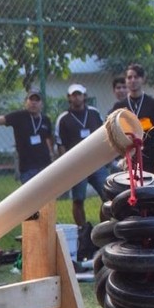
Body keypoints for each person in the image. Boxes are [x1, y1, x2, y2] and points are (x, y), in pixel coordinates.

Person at [0, 87, 54, 184]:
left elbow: (48, 140)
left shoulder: (45, 120)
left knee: (49, 197)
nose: (34, 103)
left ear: (42, 104)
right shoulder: (19, 117)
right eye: (31, 99)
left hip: (45, 166)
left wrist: (52, 157)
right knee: (33, 198)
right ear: (26, 102)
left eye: (37, 100)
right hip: (28, 169)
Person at [55, 83, 107, 226]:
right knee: (78, 199)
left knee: (108, 196)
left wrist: (104, 157)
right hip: (77, 165)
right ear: (69, 98)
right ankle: (82, 229)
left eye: (79, 94)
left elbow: (104, 133)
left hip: (96, 162)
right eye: (74, 95)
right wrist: (67, 165)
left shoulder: (94, 113)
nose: (77, 97)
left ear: (85, 96)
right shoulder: (64, 118)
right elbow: (61, 144)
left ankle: (102, 228)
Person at [111, 63, 154, 175]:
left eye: (136, 77)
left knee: (150, 190)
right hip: (128, 155)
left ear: (142, 79)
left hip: (149, 155)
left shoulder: (153, 104)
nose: (132, 80)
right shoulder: (119, 106)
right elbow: (114, 133)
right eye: (129, 77)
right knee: (129, 190)